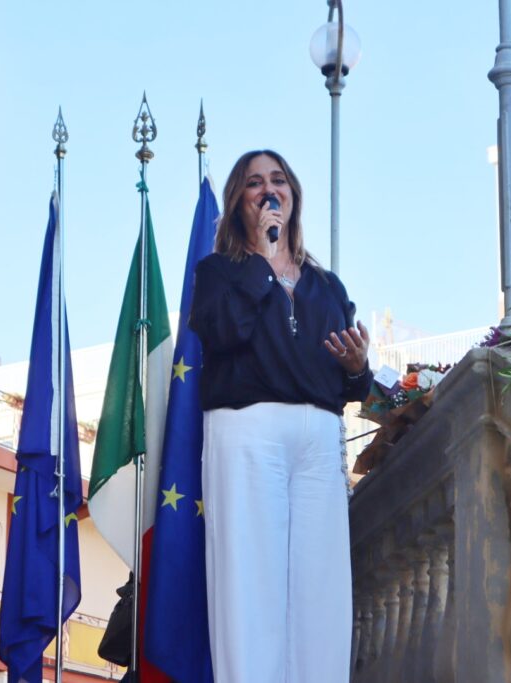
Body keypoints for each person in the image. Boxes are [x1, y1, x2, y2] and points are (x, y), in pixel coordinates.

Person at [189, 149, 372, 682]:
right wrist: (265, 264)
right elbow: (221, 333)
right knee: (252, 586)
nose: (268, 191)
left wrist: (358, 368)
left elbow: (350, 384)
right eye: (254, 183)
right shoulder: (220, 272)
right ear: (239, 202)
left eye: (277, 180)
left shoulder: (326, 286)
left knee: (321, 593)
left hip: (318, 437)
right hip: (249, 431)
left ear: (293, 192)